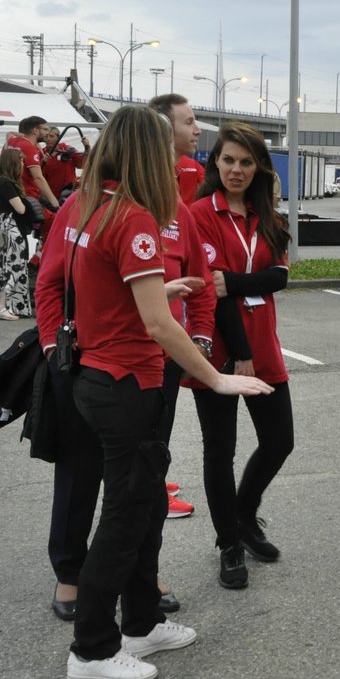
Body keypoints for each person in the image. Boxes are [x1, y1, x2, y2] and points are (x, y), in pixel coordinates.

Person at [39, 104, 270, 679]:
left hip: (104, 375)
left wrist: (161, 285)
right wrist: (216, 378)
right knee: (125, 516)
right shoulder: (137, 218)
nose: (180, 158)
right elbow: (158, 325)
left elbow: (100, 288)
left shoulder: (93, 207)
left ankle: (140, 622)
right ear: (148, 153)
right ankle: (92, 649)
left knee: (141, 509)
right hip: (125, 382)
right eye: (168, 148)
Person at [187, 122, 296, 590]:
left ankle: (244, 515)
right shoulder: (198, 215)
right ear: (216, 163)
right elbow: (214, 293)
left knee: (279, 440)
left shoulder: (266, 216)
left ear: (258, 168)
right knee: (220, 450)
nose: (236, 169)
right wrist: (242, 355)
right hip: (219, 347)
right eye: (228, 160)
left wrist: (236, 279)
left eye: (246, 162)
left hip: (264, 343)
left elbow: (279, 277)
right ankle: (229, 544)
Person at [148, 92, 208, 522]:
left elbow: (198, 271)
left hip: (170, 338)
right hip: (138, 343)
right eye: (189, 122)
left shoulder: (186, 179)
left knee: (160, 423)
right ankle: (150, 490)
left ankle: (154, 480)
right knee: (145, 430)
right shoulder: (131, 197)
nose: (197, 129)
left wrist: (200, 334)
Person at [0, 148, 37, 320]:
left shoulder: (2, 182)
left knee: (8, 266)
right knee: (14, 266)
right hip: (13, 230)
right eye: (21, 161)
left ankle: (10, 305)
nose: (23, 164)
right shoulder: (7, 184)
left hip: (6, 229)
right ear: (13, 163)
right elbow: (20, 208)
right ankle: (2, 305)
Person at [7, 116, 60, 224]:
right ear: (35, 131)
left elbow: (9, 133)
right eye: (45, 129)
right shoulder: (29, 147)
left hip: (12, 195)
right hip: (28, 197)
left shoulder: (12, 141)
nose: (48, 132)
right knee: (56, 222)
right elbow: (38, 178)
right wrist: (55, 203)